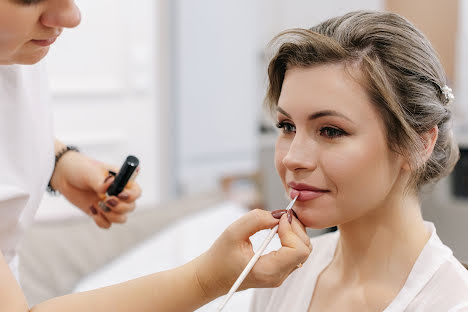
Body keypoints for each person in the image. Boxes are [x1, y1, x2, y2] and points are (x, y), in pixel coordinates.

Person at [0, 0, 312, 311]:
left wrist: (61, 162)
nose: (71, 17)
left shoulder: (18, 47)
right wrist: (207, 280)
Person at [251, 10, 468, 312]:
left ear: (418, 144)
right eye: (287, 126)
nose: (292, 158)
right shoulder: (279, 278)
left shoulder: (454, 303)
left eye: (330, 130)